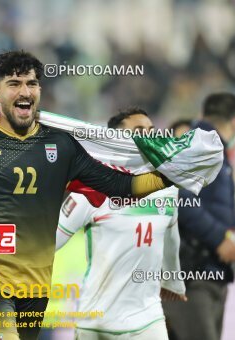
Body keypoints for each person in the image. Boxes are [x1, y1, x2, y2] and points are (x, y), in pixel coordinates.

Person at [0, 50, 172, 340]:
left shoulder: (61, 145)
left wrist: (172, 174)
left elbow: (120, 186)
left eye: (31, 83)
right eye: (14, 84)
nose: (24, 91)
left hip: (34, 290)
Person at [56, 108, 186, 340]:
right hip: (97, 321)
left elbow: (171, 235)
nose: (149, 138)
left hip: (148, 318)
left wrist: (173, 281)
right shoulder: (91, 189)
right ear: (115, 141)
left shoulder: (167, 187)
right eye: (139, 132)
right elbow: (49, 241)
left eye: (151, 131)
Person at [163, 93, 235, 340]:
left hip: (206, 274)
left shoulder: (211, 148)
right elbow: (180, 199)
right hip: (192, 276)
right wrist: (220, 239)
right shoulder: (201, 145)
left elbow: (210, 210)